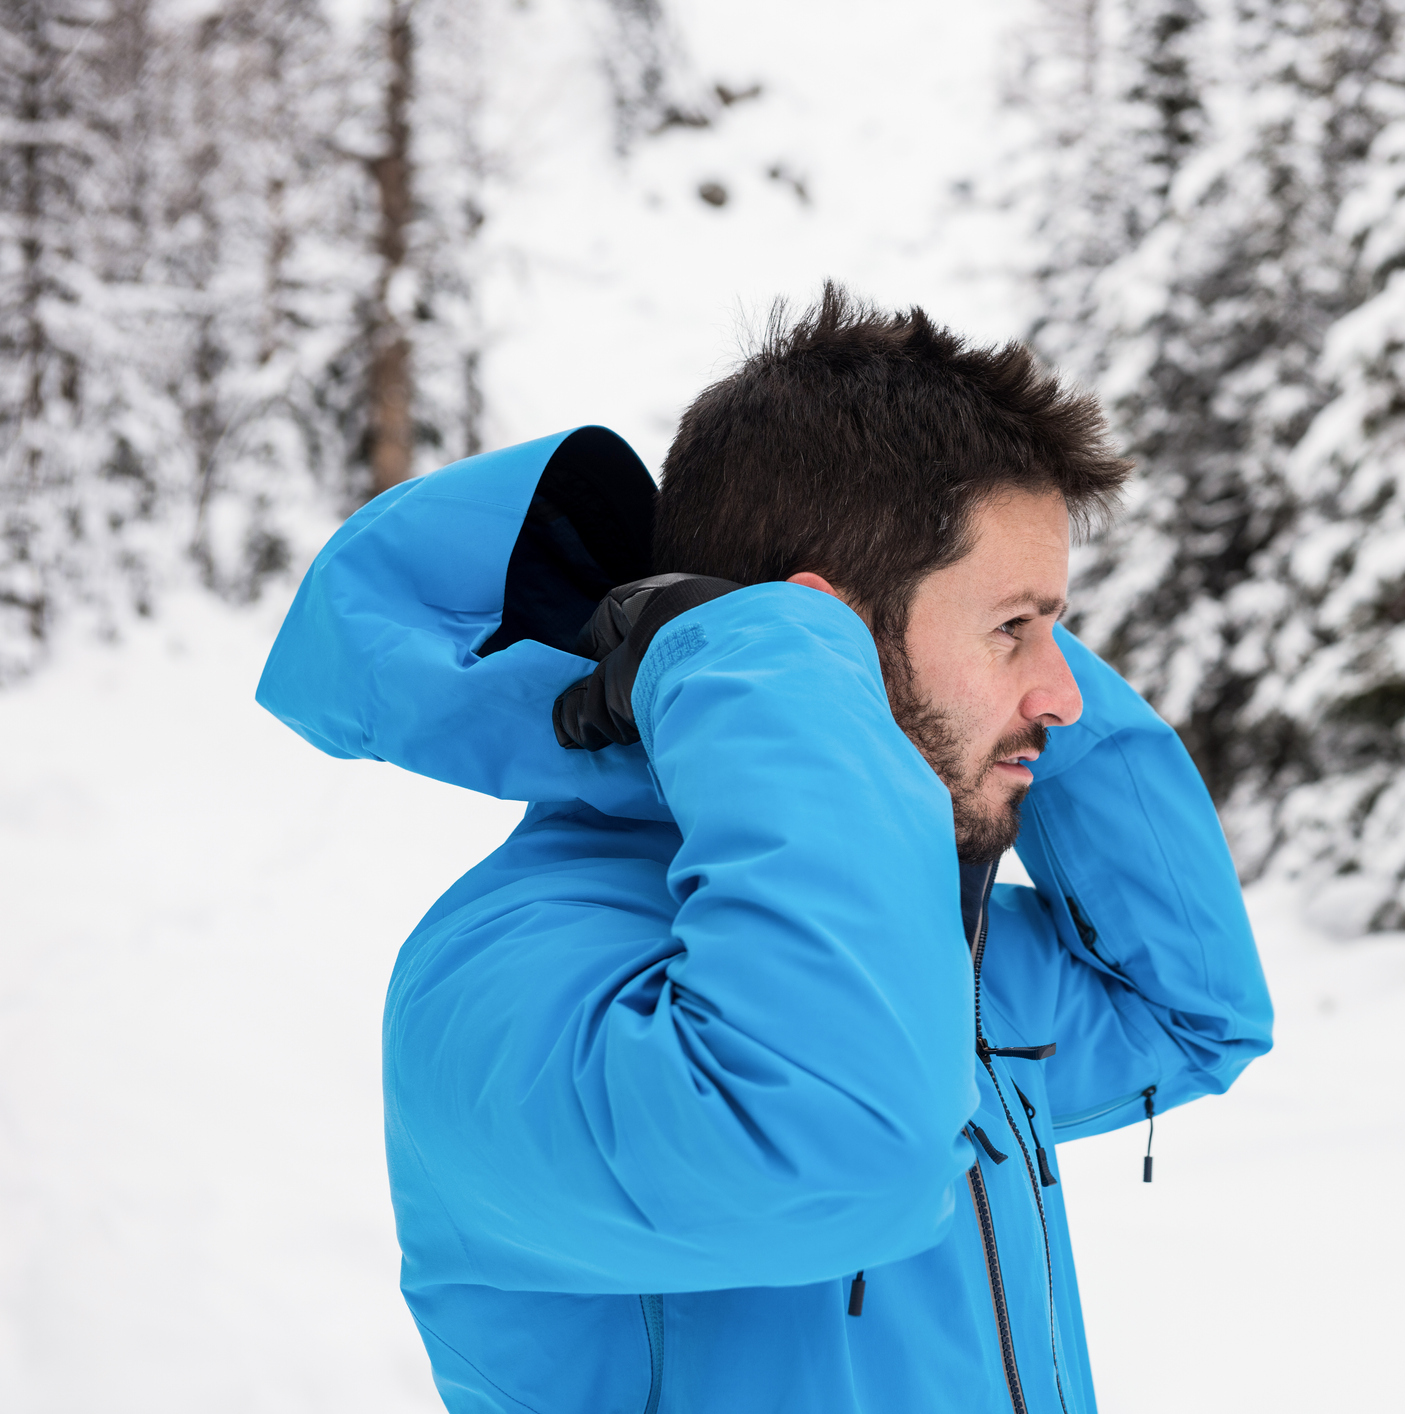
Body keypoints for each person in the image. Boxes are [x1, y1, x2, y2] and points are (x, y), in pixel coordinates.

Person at [257, 287, 1273, 1413]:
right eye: (1012, 628)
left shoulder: (918, 921)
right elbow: (833, 1152)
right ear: (811, 637)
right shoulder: (506, 976)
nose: (1069, 696)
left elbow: (1190, 1016)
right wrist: (775, 664)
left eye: (1054, 625)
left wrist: (932, 663)